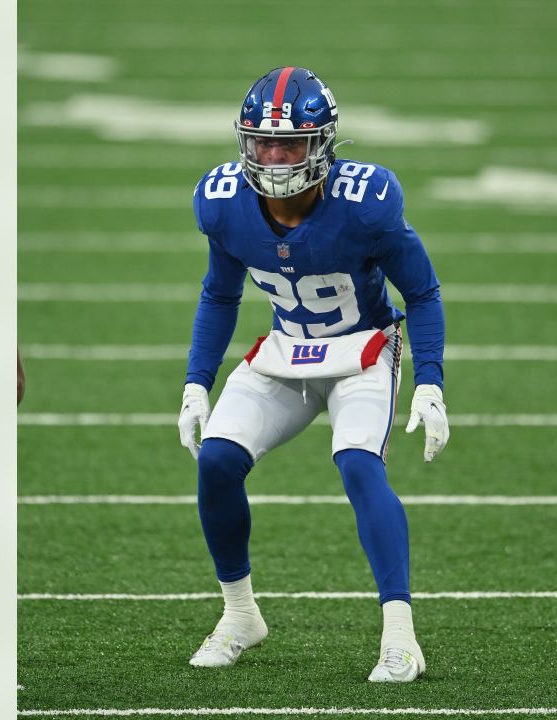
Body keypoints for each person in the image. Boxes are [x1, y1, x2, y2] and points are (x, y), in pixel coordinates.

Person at [177, 66, 449, 683]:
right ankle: (239, 615)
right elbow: (219, 295)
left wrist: (430, 381)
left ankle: (401, 637)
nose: (274, 157)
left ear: (321, 144)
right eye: (263, 142)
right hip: (288, 349)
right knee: (216, 459)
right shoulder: (223, 203)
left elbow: (423, 292)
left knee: (358, 463)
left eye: (290, 143)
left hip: (362, 350)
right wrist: (197, 381)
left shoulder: (366, 204)